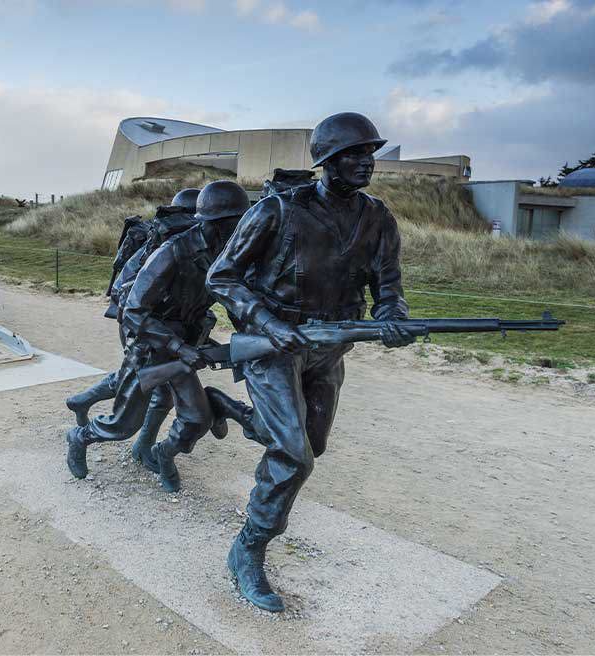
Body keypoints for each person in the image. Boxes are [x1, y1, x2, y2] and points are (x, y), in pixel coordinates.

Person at [206, 112, 417, 612]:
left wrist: (393, 320)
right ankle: (249, 549)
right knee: (293, 456)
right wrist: (267, 322)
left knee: (310, 446)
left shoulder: (378, 218)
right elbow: (222, 276)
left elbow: (389, 288)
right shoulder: (277, 210)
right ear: (327, 161)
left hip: (330, 349)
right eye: (353, 154)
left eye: (370, 153)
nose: (366, 162)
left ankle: (236, 412)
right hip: (274, 346)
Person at [66, 180, 251, 490]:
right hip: (151, 346)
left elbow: (233, 299)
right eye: (236, 223)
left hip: (184, 348)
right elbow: (134, 312)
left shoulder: (224, 255)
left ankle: (162, 450)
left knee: (195, 417)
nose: (243, 230)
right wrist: (177, 346)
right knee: (123, 425)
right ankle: (80, 437)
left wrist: (248, 337)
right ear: (217, 223)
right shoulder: (173, 252)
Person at [65, 189, 200, 470]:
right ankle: (98, 432)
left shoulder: (196, 249)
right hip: (142, 327)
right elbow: (127, 292)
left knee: (151, 385)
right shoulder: (164, 244)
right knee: (140, 384)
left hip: (167, 329)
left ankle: (138, 442)